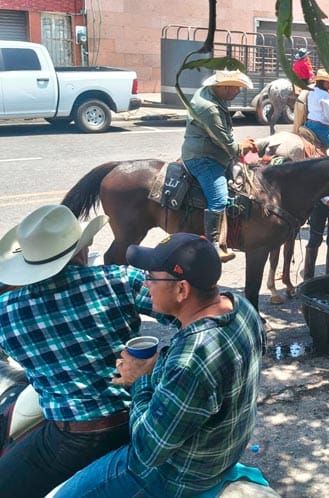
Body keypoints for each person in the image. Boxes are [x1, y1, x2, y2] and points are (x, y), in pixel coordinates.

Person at [54, 233, 264, 497]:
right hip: (222, 450)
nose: (145, 283)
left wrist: (139, 379)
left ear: (181, 290)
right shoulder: (240, 306)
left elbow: (146, 450)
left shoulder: (191, 360)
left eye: (152, 277)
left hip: (180, 475)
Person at [0, 205, 167, 498]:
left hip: (72, 438)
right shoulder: (120, 280)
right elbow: (189, 316)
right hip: (138, 416)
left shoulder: (6, 312)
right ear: (80, 250)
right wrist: (161, 362)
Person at [181, 68, 257, 263]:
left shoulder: (213, 96)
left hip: (213, 151)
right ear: (223, 86)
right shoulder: (209, 108)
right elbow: (225, 141)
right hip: (204, 157)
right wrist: (242, 147)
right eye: (236, 88)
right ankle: (213, 245)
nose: (238, 92)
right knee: (219, 199)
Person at [305, 69, 329, 149]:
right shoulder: (324, 94)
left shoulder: (311, 91)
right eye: (328, 82)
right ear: (322, 82)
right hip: (320, 127)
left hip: (308, 124)